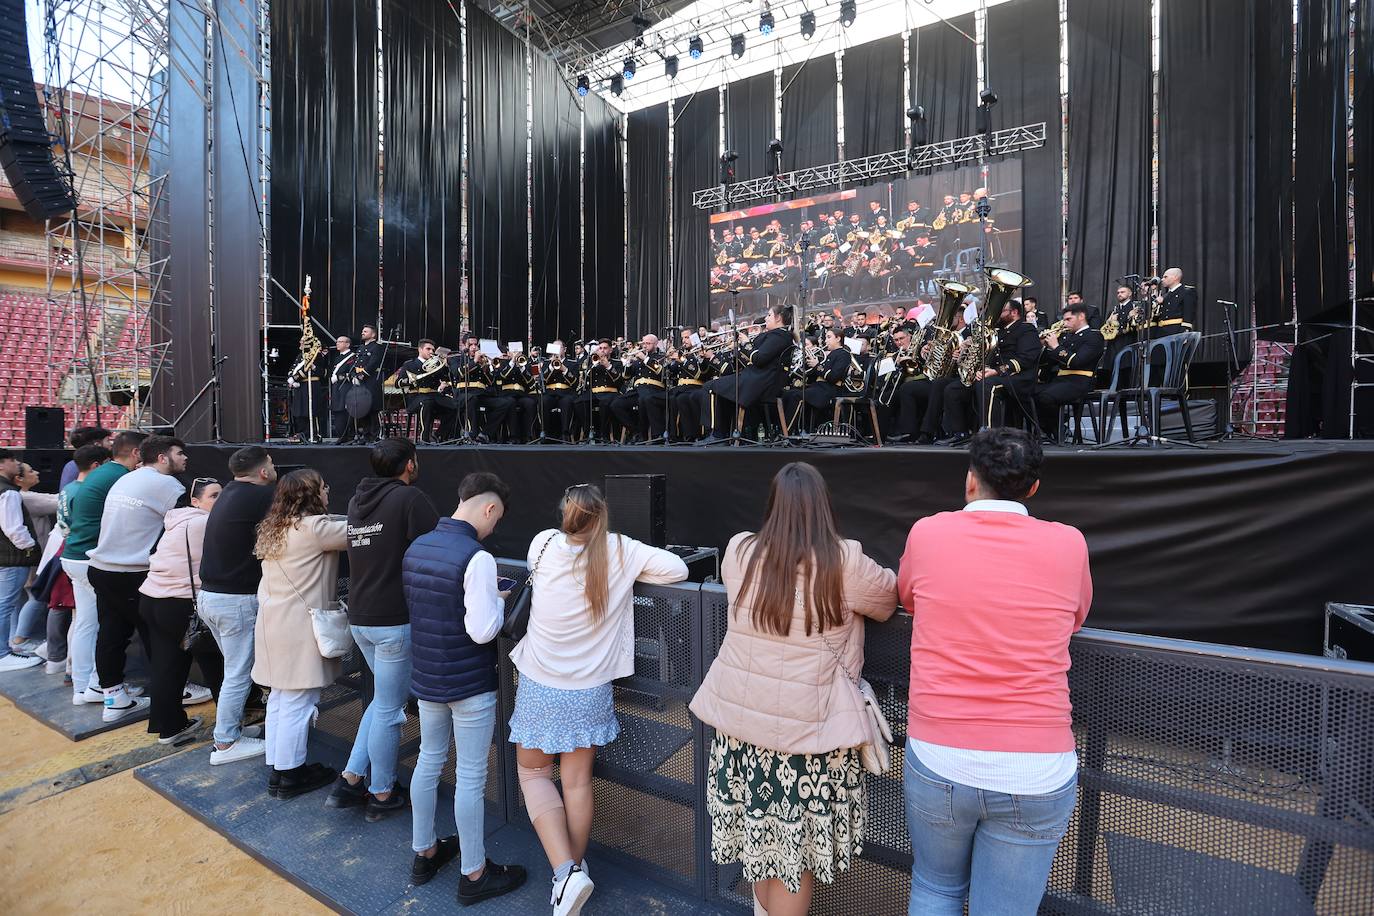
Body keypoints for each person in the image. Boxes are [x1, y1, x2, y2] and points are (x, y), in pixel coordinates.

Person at [898, 428, 1091, 916]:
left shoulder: (927, 532)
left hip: (940, 753)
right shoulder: (1070, 543)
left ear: (969, 481)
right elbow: (1076, 617)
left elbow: (906, 599)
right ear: (1032, 489)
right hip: (1036, 766)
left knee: (935, 888)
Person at [691, 462, 896, 916]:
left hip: (742, 733)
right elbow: (888, 598)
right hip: (811, 736)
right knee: (794, 856)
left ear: (772, 506)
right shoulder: (843, 562)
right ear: (823, 508)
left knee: (762, 840)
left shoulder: (740, 552)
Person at [509, 484, 688, 915]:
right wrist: (628, 562)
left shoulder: (543, 542)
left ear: (564, 514)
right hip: (589, 690)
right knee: (576, 783)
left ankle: (566, 873)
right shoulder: (620, 550)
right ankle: (571, 870)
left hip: (539, 681)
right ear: (602, 516)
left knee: (533, 775)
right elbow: (678, 569)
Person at [403, 472, 527, 902]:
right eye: (497, 519)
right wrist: (500, 600)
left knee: (428, 760)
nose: (495, 528)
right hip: (469, 682)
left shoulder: (419, 545)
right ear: (489, 508)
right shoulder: (478, 558)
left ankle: (425, 852)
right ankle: (474, 874)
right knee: (470, 777)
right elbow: (482, 631)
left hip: (427, 675)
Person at [327, 438, 440, 819]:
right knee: (390, 709)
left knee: (382, 702)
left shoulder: (358, 502)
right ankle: (381, 792)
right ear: (409, 464)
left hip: (363, 618)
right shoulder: (410, 500)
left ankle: (352, 778)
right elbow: (436, 548)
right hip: (394, 621)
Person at [252, 469, 348, 799]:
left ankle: (279, 769)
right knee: (299, 702)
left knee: (280, 699)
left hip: (273, 623)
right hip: (298, 628)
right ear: (311, 495)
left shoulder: (275, 525)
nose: (328, 489)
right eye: (323, 487)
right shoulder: (315, 528)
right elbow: (360, 530)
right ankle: (291, 774)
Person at [85, 435, 195, 723]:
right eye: (179, 453)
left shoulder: (127, 478)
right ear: (162, 457)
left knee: (111, 632)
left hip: (101, 567)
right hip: (130, 571)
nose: (185, 459)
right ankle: (172, 702)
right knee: (160, 640)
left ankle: (113, 698)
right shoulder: (167, 485)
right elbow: (186, 524)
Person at [198, 445, 277, 765]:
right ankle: (226, 742)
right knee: (238, 673)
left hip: (212, 597)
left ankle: (232, 731)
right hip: (233, 600)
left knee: (237, 670)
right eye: (271, 463)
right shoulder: (260, 495)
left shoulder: (231, 492)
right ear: (262, 471)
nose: (274, 468)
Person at [61, 431, 149, 706]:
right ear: (136, 453)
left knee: (88, 623)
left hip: (75, 554)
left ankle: (87, 687)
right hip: (91, 558)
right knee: (107, 626)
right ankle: (100, 686)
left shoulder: (101, 473)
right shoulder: (119, 477)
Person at [138, 478, 226, 744]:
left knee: (167, 667)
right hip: (181, 604)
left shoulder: (177, 521)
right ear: (195, 502)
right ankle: (231, 730)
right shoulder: (204, 522)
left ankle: (169, 727)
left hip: (152, 599)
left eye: (223, 495)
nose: (220, 501)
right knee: (218, 666)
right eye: (214, 496)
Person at [939, 299, 1041, 446]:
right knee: (953, 388)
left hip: (1018, 378)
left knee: (988, 386)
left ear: (1014, 313)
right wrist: (976, 364)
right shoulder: (996, 331)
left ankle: (990, 436)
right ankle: (960, 432)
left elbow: (1026, 359)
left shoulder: (1026, 329)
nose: (997, 314)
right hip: (995, 375)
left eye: (1002, 311)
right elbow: (988, 357)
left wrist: (996, 371)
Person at [702, 305, 795, 441]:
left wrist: (746, 343)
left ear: (778, 318)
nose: (766, 318)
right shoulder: (775, 335)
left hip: (760, 383)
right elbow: (754, 358)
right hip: (756, 378)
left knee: (709, 387)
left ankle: (714, 434)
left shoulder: (780, 336)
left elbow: (759, 359)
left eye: (769, 315)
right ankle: (723, 434)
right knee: (721, 391)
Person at [1034, 304, 1105, 439]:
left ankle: (1057, 431)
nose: (1064, 323)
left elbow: (1077, 361)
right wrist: (1044, 347)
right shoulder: (1067, 337)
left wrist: (1055, 346)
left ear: (1081, 317)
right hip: (1061, 380)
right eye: (1064, 320)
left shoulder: (1093, 336)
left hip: (1080, 381)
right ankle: (1049, 429)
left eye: (1068, 319)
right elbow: (1048, 362)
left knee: (1045, 397)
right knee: (1027, 392)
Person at [0, 449, 43, 671]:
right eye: (12, 460)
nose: (16, 464)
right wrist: (30, 546)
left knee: (5, 604)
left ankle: (5, 649)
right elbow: (14, 529)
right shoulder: (9, 493)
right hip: (10, 558)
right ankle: (2, 654)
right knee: (5, 605)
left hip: (5, 557)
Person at [59, 426, 112, 491]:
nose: (110, 444)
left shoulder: (71, 465)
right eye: (108, 441)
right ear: (97, 444)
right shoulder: (76, 466)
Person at [329, 335, 358, 441]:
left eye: (340, 341)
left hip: (346, 387)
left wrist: (338, 377)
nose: (337, 343)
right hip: (337, 388)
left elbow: (352, 374)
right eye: (337, 341)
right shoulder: (337, 358)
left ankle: (348, 436)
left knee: (345, 412)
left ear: (347, 344)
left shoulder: (352, 357)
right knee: (337, 411)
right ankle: (341, 435)